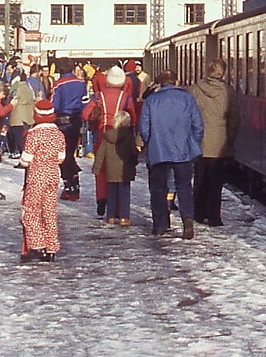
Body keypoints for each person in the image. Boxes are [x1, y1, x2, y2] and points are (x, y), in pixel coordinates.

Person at [137, 70, 202, 239]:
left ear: (160, 83)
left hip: (158, 151)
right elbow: (198, 125)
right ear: (176, 81)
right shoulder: (187, 99)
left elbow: (144, 129)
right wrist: (192, 142)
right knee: (184, 187)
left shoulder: (151, 101)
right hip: (183, 151)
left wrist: (150, 142)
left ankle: (160, 225)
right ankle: (187, 220)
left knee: (158, 188)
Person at [188, 59, 239, 227]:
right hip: (220, 143)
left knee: (200, 179)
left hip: (199, 142)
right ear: (223, 72)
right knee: (216, 182)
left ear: (207, 71)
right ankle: (214, 217)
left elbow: (188, 115)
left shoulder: (194, 90)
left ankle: (198, 213)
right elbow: (234, 119)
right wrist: (230, 139)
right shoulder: (228, 92)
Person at [83, 65, 138, 218]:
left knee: (101, 169)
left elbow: (85, 113)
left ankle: (101, 199)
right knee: (119, 170)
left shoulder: (98, 96)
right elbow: (133, 117)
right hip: (122, 136)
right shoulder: (125, 97)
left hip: (101, 135)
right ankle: (119, 210)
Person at [19, 99, 64, 262]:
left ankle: (37, 244)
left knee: (30, 210)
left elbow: (26, 159)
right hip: (53, 174)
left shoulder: (34, 134)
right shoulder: (58, 134)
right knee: (49, 210)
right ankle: (52, 247)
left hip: (37, 175)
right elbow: (61, 157)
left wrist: (24, 162)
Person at [50, 58, 87, 200]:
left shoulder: (58, 85)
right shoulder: (81, 83)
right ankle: (75, 183)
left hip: (62, 122)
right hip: (76, 121)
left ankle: (69, 185)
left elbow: (55, 106)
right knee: (70, 151)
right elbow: (84, 102)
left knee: (63, 156)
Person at [6, 67, 36, 161]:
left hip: (17, 117)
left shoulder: (16, 88)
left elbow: (10, 100)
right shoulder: (28, 88)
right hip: (28, 117)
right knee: (25, 141)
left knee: (20, 141)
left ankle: (25, 160)